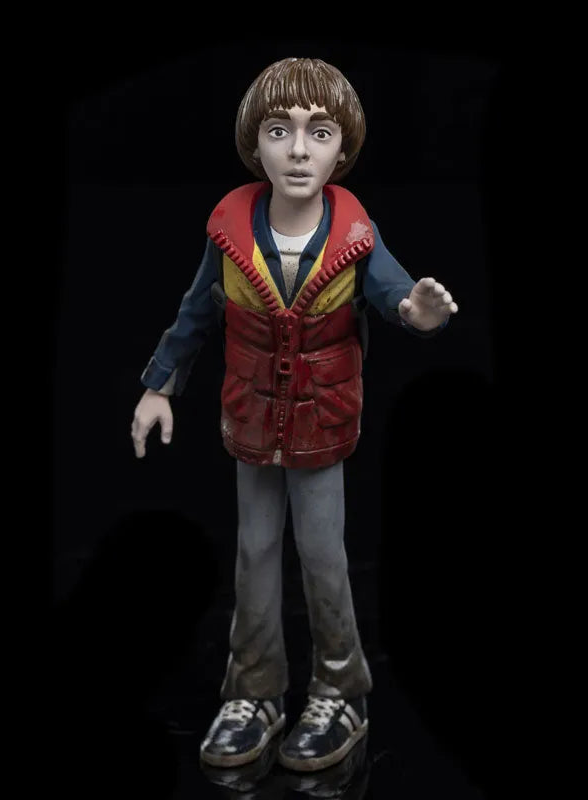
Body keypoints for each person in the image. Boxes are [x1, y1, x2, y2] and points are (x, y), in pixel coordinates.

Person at [131, 57, 458, 772]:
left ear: (344, 149)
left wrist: (419, 312)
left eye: (320, 133)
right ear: (256, 144)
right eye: (280, 131)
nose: (300, 150)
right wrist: (159, 386)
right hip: (250, 416)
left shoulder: (354, 232)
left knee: (323, 556)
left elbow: (393, 292)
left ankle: (341, 691)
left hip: (321, 419)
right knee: (253, 554)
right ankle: (254, 691)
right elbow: (194, 315)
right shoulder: (229, 230)